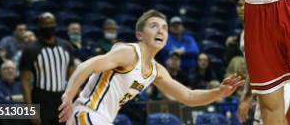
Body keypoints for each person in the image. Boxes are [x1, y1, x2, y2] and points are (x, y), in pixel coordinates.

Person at [58, 9, 243, 125]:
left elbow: (188, 96)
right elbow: (87, 65)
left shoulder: (157, 70)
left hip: (104, 119)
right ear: (139, 34)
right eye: (154, 26)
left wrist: (218, 93)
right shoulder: (128, 52)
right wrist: (68, 95)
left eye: (164, 27)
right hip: (87, 113)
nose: (161, 30)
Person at [20, 12, 75, 125]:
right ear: (39, 27)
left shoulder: (66, 46)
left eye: (50, 25)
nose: (48, 28)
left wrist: (74, 100)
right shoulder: (30, 50)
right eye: (45, 25)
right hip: (41, 98)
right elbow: (25, 82)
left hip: (62, 98)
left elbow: (72, 77)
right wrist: (30, 110)